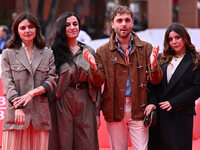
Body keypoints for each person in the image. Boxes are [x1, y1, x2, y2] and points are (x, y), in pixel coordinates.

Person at [83, 5, 163, 150]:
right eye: (119, 20)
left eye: (127, 20)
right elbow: (97, 81)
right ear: (112, 24)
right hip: (114, 108)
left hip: (139, 107)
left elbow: (156, 80)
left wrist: (153, 66)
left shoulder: (146, 48)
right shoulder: (102, 51)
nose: (124, 24)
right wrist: (93, 68)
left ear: (132, 22)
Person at [1, 12, 57, 150]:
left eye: (31, 27)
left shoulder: (47, 53)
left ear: (37, 29)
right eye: (23, 28)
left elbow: (52, 80)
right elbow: (8, 83)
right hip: (16, 114)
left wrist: (31, 94)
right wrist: (18, 107)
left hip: (40, 114)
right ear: (17, 31)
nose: (27, 30)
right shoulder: (7, 54)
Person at [48, 12, 101, 150]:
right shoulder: (53, 52)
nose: (72, 27)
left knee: (87, 142)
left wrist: (96, 113)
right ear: (61, 28)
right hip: (62, 99)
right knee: (63, 142)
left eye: (75, 24)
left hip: (85, 99)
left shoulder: (89, 51)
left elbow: (96, 85)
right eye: (67, 25)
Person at [147, 23, 200, 150]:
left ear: (185, 38)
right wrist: (151, 103)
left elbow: (197, 88)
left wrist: (173, 103)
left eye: (177, 37)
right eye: (170, 39)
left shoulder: (196, 60)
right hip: (160, 113)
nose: (174, 42)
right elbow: (153, 85)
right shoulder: (161, 58)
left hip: (180, 113)